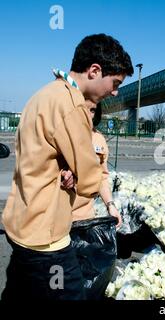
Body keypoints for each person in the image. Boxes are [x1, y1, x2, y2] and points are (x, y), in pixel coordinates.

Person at [1, 33, 133, 300]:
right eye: (115, 82)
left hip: (21, 223)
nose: (115, 91)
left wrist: (65, 169)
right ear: (95, 70)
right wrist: (81, 174)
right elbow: (89, 178)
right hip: (46, 238)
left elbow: (41, 156)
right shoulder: (72, 105)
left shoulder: (44, 95)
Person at [72, 101, 122, 227]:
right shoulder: (62, 135)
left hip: (84, 218)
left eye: (93, 110)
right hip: (55, 217)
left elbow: (101, 177)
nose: (88, 114)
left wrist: (110, 205)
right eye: (83, 109)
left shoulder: (98, 139)